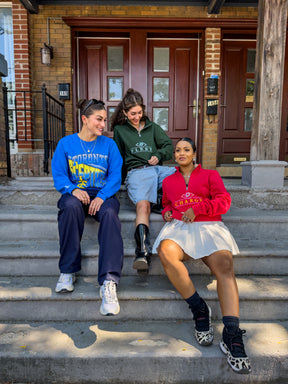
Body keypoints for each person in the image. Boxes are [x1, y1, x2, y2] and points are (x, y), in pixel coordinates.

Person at [152, 137, 251, 374]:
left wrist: (197, 209)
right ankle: (199, 308)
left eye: (186, 149)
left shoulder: (210, 176)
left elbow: (224, 202)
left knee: (225, 267)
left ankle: (231, 333)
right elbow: (166, 204)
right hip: (179, 228)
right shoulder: (168, 181)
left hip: (209, 226)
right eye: (178, 150)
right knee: (165, 250)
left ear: (194, 153)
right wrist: (167, 212)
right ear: (174, 155)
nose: (181, 153)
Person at [51, 98, 124, 316]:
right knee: (70, 207)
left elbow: (115, 176)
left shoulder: (109, 145)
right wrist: (72, 189)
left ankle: (109, 282)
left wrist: (102, 196)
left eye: (105, 120)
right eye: (98, 119)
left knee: (110, 214)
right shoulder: (66, 144)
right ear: (85, 119)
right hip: (77, 194)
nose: (103, 124)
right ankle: (67, 271)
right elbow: (59, 174)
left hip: (102, 195)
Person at [112, 88, 175, 274]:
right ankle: (143, 252)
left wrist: (159, 155)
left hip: (157, 170)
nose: (136, 116)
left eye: (139, 112)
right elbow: (119, 158)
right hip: (137, 172)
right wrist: (117, 182)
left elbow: (168, 146)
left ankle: (160, 202)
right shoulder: (120, 130)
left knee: (180, 175)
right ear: (124, 112)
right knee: (143, 206)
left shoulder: (153, 128)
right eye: (132, 113)